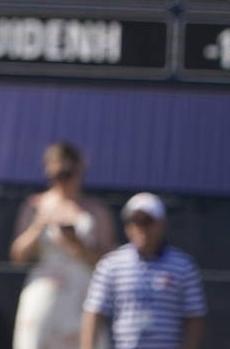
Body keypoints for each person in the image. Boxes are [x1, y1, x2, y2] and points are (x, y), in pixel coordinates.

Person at [11, 142, 116, 349]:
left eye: (67, 174)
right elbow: (17, 257)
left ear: (80, 169)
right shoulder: (35, 205)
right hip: (42, 297)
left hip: (83, 296)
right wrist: (39, 224)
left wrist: (79, 245)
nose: (61, 181)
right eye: (55, 175)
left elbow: (109, 263)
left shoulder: (96, 210)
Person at [81, 193, 206, 349]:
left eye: (148, 221)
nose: (142, 228)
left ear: (162, 224)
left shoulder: (184, 266)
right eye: (136, 221)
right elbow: (94, 312)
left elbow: (194, 316)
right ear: (127, 227)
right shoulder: (111, 264)